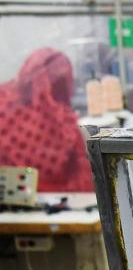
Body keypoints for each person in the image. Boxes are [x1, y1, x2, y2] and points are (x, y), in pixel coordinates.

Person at [0, 49, 94, 192]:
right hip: (61, 202)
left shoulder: (5, 102)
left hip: (13, 198)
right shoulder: (63, 125)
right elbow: (85, 180)